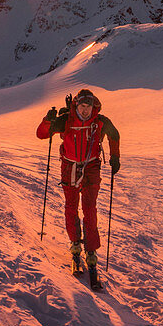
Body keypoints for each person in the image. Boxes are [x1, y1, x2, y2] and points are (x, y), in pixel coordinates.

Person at [36, 89, 120, 290]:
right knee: (71, 208)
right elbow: (41, 134)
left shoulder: (99, 121)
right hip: (70, 167)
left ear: (93, 106)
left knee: (89, 209)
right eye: (82, 106)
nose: (85, 110)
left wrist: (115, 156)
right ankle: (75, 244)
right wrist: (48, 120)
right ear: (76, 106)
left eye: (88, 106)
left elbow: (114, 134)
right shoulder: (66, 120)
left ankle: (90, 251)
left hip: (91, 167)